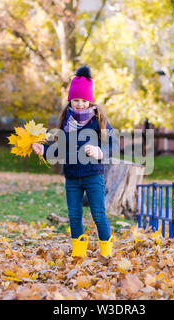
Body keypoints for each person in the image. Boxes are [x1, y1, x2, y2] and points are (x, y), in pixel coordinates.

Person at [32, 65, 119, 259]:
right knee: (74, 215)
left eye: (83, 100)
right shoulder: (66, 121)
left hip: (93, 175)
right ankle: (79, 252)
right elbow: (58, 148)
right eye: (76, 100)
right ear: (70, 99)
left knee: (98, 213)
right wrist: (43, 150)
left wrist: (99, 151)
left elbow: (113, 143)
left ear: (90, 100)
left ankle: (106, 250)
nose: (79, 104)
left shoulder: (98, 120)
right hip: (72, 176)